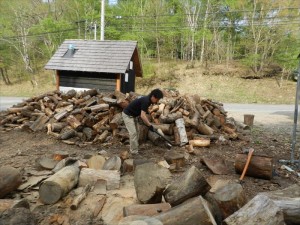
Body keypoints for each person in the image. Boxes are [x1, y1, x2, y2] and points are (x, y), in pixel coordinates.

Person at [122, 89, 164, 154]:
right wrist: (149, 125)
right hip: (127, 115)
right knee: (133, 133)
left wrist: (148, 113)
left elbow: (143, 109)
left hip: (133, 115)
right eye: (157, 99)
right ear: (153, 96)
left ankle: (135, 148)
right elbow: (143, 115)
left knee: (137, 132)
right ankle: (134, 152)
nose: (157, 101)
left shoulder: (148, 100)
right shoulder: (146, 101)